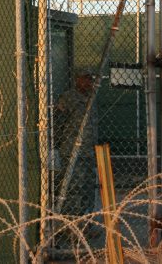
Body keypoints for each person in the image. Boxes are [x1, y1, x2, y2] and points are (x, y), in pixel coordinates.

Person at [53, 68, 98, 217]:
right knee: (74, 189)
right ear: (76, 80)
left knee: (89, 188)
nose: (88, 82)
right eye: (85, 79)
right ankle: (72, 225)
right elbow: (58, 124)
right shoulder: (68, 98)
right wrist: (58, 146)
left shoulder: (91, 98)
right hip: (72, 152)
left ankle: (85, 223)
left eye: (90, 79)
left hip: (89, 153)